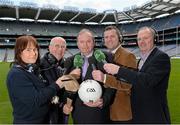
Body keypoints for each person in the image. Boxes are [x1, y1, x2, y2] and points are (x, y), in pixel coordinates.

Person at [103, 26, 171, 124]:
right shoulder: (141, 60)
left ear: (154, 39)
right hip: (140, 114)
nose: (142, 41)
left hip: (154, 115)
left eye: (146, 38)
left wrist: (119, 70)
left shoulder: (161, 57)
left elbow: (147, 80)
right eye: (139, 39)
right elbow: (135, 81)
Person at [6, 35, 70, 124]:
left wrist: (60, 104)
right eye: (28, 50)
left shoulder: (32, 70)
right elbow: (36, 100)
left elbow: (45, 95)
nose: (33, 53)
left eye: (35, 49)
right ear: (19, 52)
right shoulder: (16, 74)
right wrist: (57, 84)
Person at [64, 29, 115, 124]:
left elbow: (112, 84)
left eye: (88, 41)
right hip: (78, 113)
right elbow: (65, 88)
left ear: (94, 42)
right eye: (82, 42)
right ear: (77, 43)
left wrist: (104, 100)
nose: (85, 45)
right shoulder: (70, 61)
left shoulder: (107, 57)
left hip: (98, 113)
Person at [92, 26, 137, 123]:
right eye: (106, 37)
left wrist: (104, 78)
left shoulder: (129, 56)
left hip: (121, 114)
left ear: (119, 38)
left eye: (112, 36)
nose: (109, 39)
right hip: (105, 111)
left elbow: (129, 84)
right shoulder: (104, 57)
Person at [40, 37, 67, 124]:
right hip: (46, 115)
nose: (60, 49)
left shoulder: (67, 65)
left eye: (63, 47)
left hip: (63, 113)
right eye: (57, 46)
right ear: (50, 47)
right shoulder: (39, 66)